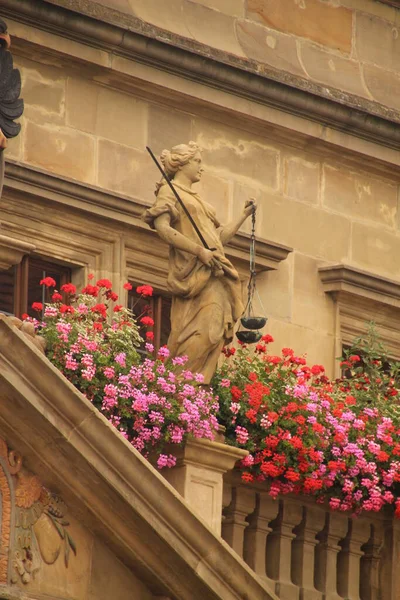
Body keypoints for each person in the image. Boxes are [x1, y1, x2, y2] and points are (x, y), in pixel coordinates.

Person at [142, 141, 255, 383]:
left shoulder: (200, 201)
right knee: (200, 332)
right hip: (195, 275)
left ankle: (195, 390)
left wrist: (243, 216)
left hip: (216, 273)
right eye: (198, 161)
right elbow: (162, 228)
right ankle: (178, 387)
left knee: (213, 335)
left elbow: (218, 239)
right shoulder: (170, 192)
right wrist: (199, 251)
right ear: (182, 163)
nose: (201, 167)